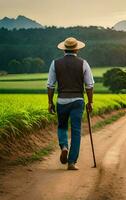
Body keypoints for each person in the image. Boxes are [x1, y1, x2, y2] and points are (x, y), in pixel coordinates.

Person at [47, 37, 94, 170]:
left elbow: (50, 85)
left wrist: (50, 102)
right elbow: (89, 86)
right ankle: (72, 162)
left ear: (64, 49)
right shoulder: (83, 63)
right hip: (78, 101)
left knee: (62, 127)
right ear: (77, 49)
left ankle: (64, 146)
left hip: (62, 100)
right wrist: (90, 102)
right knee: (76, 131)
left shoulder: (55, 63)